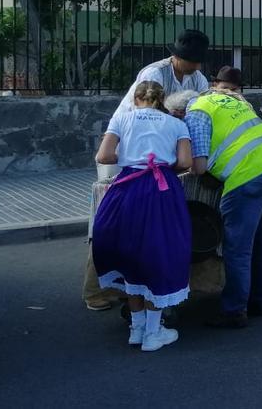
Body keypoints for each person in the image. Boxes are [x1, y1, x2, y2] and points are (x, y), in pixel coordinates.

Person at [187, 69, 262, 326]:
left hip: (249, 176)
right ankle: (260, 301)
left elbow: (199, 167)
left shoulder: (197, 112)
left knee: (238, 247)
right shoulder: (231, 101)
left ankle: (234, 310)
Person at [92, 81, 192, 352]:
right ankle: (153, 331)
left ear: (136, 99)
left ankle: (136, 328)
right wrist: (162, 161)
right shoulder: (176, 124)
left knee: (130, 254)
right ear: (162, 100)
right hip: (161, 190)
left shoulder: (122, 118)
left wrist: (129, 156)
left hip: (127, 187)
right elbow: (185, 162)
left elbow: (104, 156)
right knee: (159, 253)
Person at [112, 29, 210, 122]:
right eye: (193, 62)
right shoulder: (154, 73)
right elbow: (146, 112)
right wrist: (170, 114)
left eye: (200, 62)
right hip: (131, 129)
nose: (198, 67)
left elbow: (204, 108)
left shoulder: (199, 78)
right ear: (176, 56)